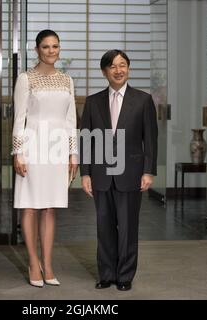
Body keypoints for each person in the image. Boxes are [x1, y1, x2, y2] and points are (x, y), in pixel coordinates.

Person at [79, 50, 158, 291]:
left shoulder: (143, 100)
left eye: (123, 65)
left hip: (131, 173)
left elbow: (151, 139)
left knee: (127, 227)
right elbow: (86, 140)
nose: (118, 70)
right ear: (104, 72)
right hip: (101, 174)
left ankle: (124, 276)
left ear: (129, 69)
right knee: (104, 227)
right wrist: (85, 173)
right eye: (112, 66)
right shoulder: (93, 102)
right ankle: (106, 274)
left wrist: (148, 171)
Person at [12, 30, 78, 288]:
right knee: (29, 206)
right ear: (37, 49)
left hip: (58, 150)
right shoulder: (25, 79)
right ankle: (32, 261)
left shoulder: (67, 80)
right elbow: (19, 119)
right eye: (46, 46)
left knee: (50, 208)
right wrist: (18, 152)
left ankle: (48, 264)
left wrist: (74, 154)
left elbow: (71, 120)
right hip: (33, 145)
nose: (51, 51)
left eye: (55, 46)